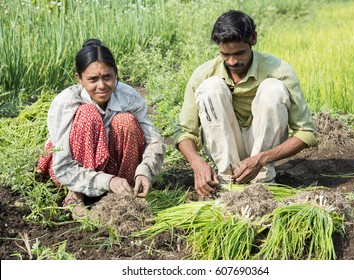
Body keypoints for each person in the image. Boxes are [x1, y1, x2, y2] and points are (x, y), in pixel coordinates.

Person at [173, 10, 317, 198]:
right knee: (210, 88)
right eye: (225, 54)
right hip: (224, 144)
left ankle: (263, 184)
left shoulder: (279, 71)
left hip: (263, 149)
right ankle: (227, 181)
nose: (232, 61)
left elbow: (306, 132)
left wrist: (260, 160)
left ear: (254, 39)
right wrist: (197, 164)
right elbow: (184, 131)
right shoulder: (204, 74)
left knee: (273, 89)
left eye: (239, 53)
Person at [37, 38, 165, 217]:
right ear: (79, 78)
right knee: (88, 114)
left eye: (107, 77)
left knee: (125, 121)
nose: (102, 86)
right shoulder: (66, 103)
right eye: (92, 79)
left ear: (116, 74)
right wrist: (107, 180)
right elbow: (63, 165)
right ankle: (75, 195)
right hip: (72, 171)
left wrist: (145, 171)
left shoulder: (128, 96)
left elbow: (153, 140)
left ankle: (126, 191)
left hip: (114, 168)